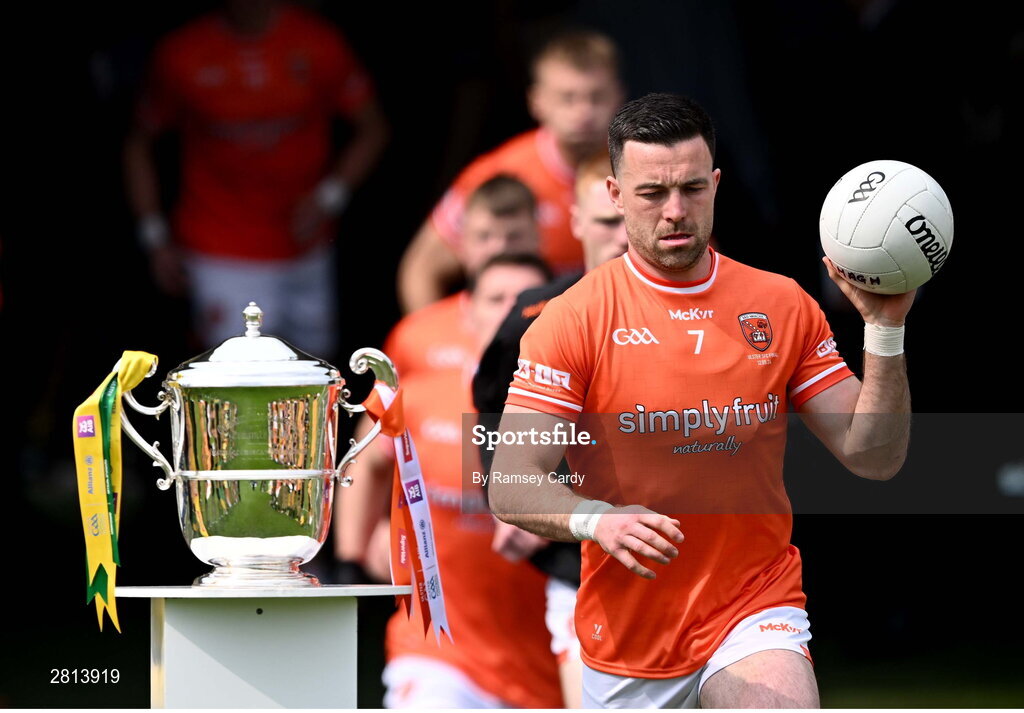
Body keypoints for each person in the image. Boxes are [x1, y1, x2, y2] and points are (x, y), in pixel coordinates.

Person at [488, 93, 913, 708]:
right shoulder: (571, 320)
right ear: (613, 194)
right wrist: (598, 520)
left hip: (755, 606)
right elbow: (512, 484)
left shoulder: (782, 303)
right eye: (652, 194)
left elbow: (874, 456)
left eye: (692, 188)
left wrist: (885, 331)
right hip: (631, 636)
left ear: (716, 183)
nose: (675, 212)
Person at [336, 254, 561, 708]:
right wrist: (357, 553)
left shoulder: (587, 414)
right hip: (437, 651)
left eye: (528, 302)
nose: (509, 313)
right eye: (496, 299)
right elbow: (367, 461)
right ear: (468, 315)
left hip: (551, 663)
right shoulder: (418, 397)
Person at [124, 0, 388, 356]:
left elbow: (373, 128)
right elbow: (138, 142)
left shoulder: (317, 43)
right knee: (235, 382)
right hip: (220, 248)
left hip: (305, 245)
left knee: (316, 375)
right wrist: (154, 238)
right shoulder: (181, 54)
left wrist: (330, 197)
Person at [471, 150, 628, 708]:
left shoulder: (704, 305)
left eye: (630, 219)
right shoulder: (533, 313)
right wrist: (512, 493)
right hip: (577, 560)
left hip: (692, 553)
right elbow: (490, 407)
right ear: (578, 221)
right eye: (608, 221)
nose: (621, 235)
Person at [397, 29, 625, 313]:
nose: (583, 111)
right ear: (536, 101)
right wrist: (440, 341)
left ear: (618, 95)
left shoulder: (643, 168)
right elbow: (422, 268)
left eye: (596, 97)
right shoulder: (497, 174)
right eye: (567, 98)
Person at [383, 174, 541, 381]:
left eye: (514, 236)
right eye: (484, 236)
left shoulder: (568, 323)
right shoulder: (414, 336)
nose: (499, 249)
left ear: (538, 237)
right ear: (461, 244)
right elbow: (384, 412)